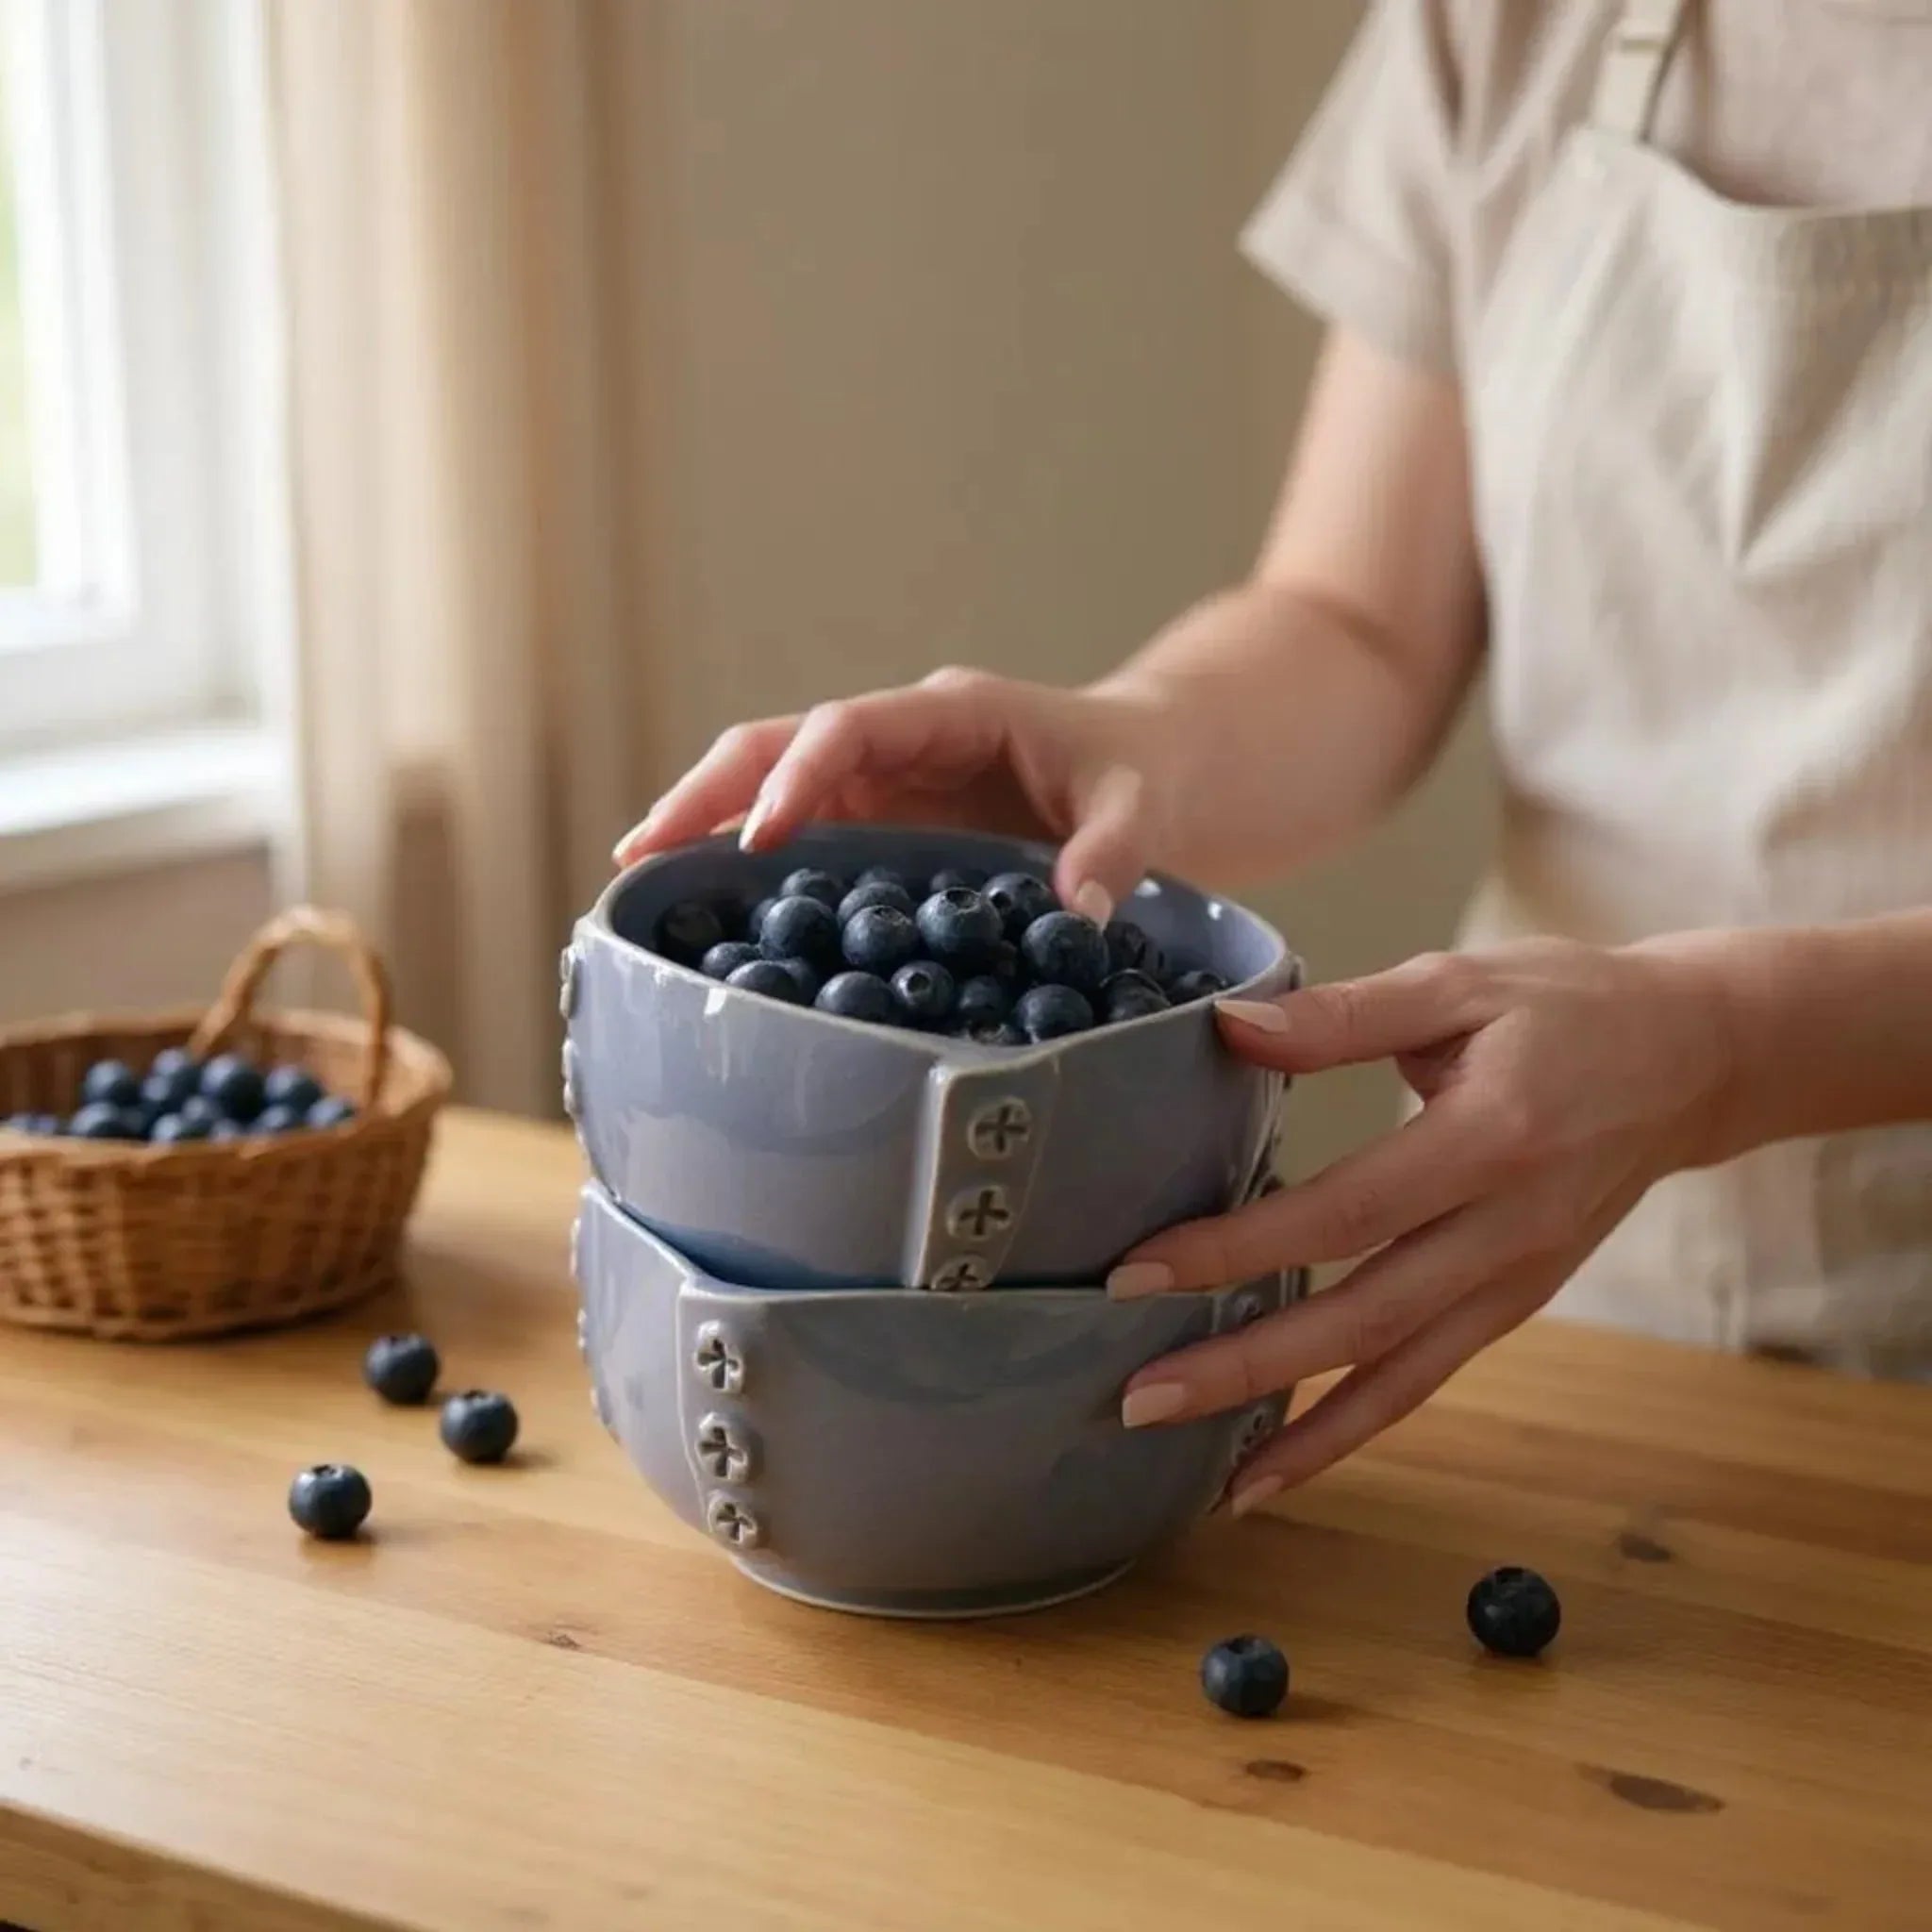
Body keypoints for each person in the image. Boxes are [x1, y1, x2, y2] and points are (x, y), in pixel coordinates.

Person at [616, 0, 1932, 1507]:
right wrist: (1128, 745)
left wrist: (1727, 1043)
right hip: (1554, 1306)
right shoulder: (1499, 27)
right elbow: (1360, 620)